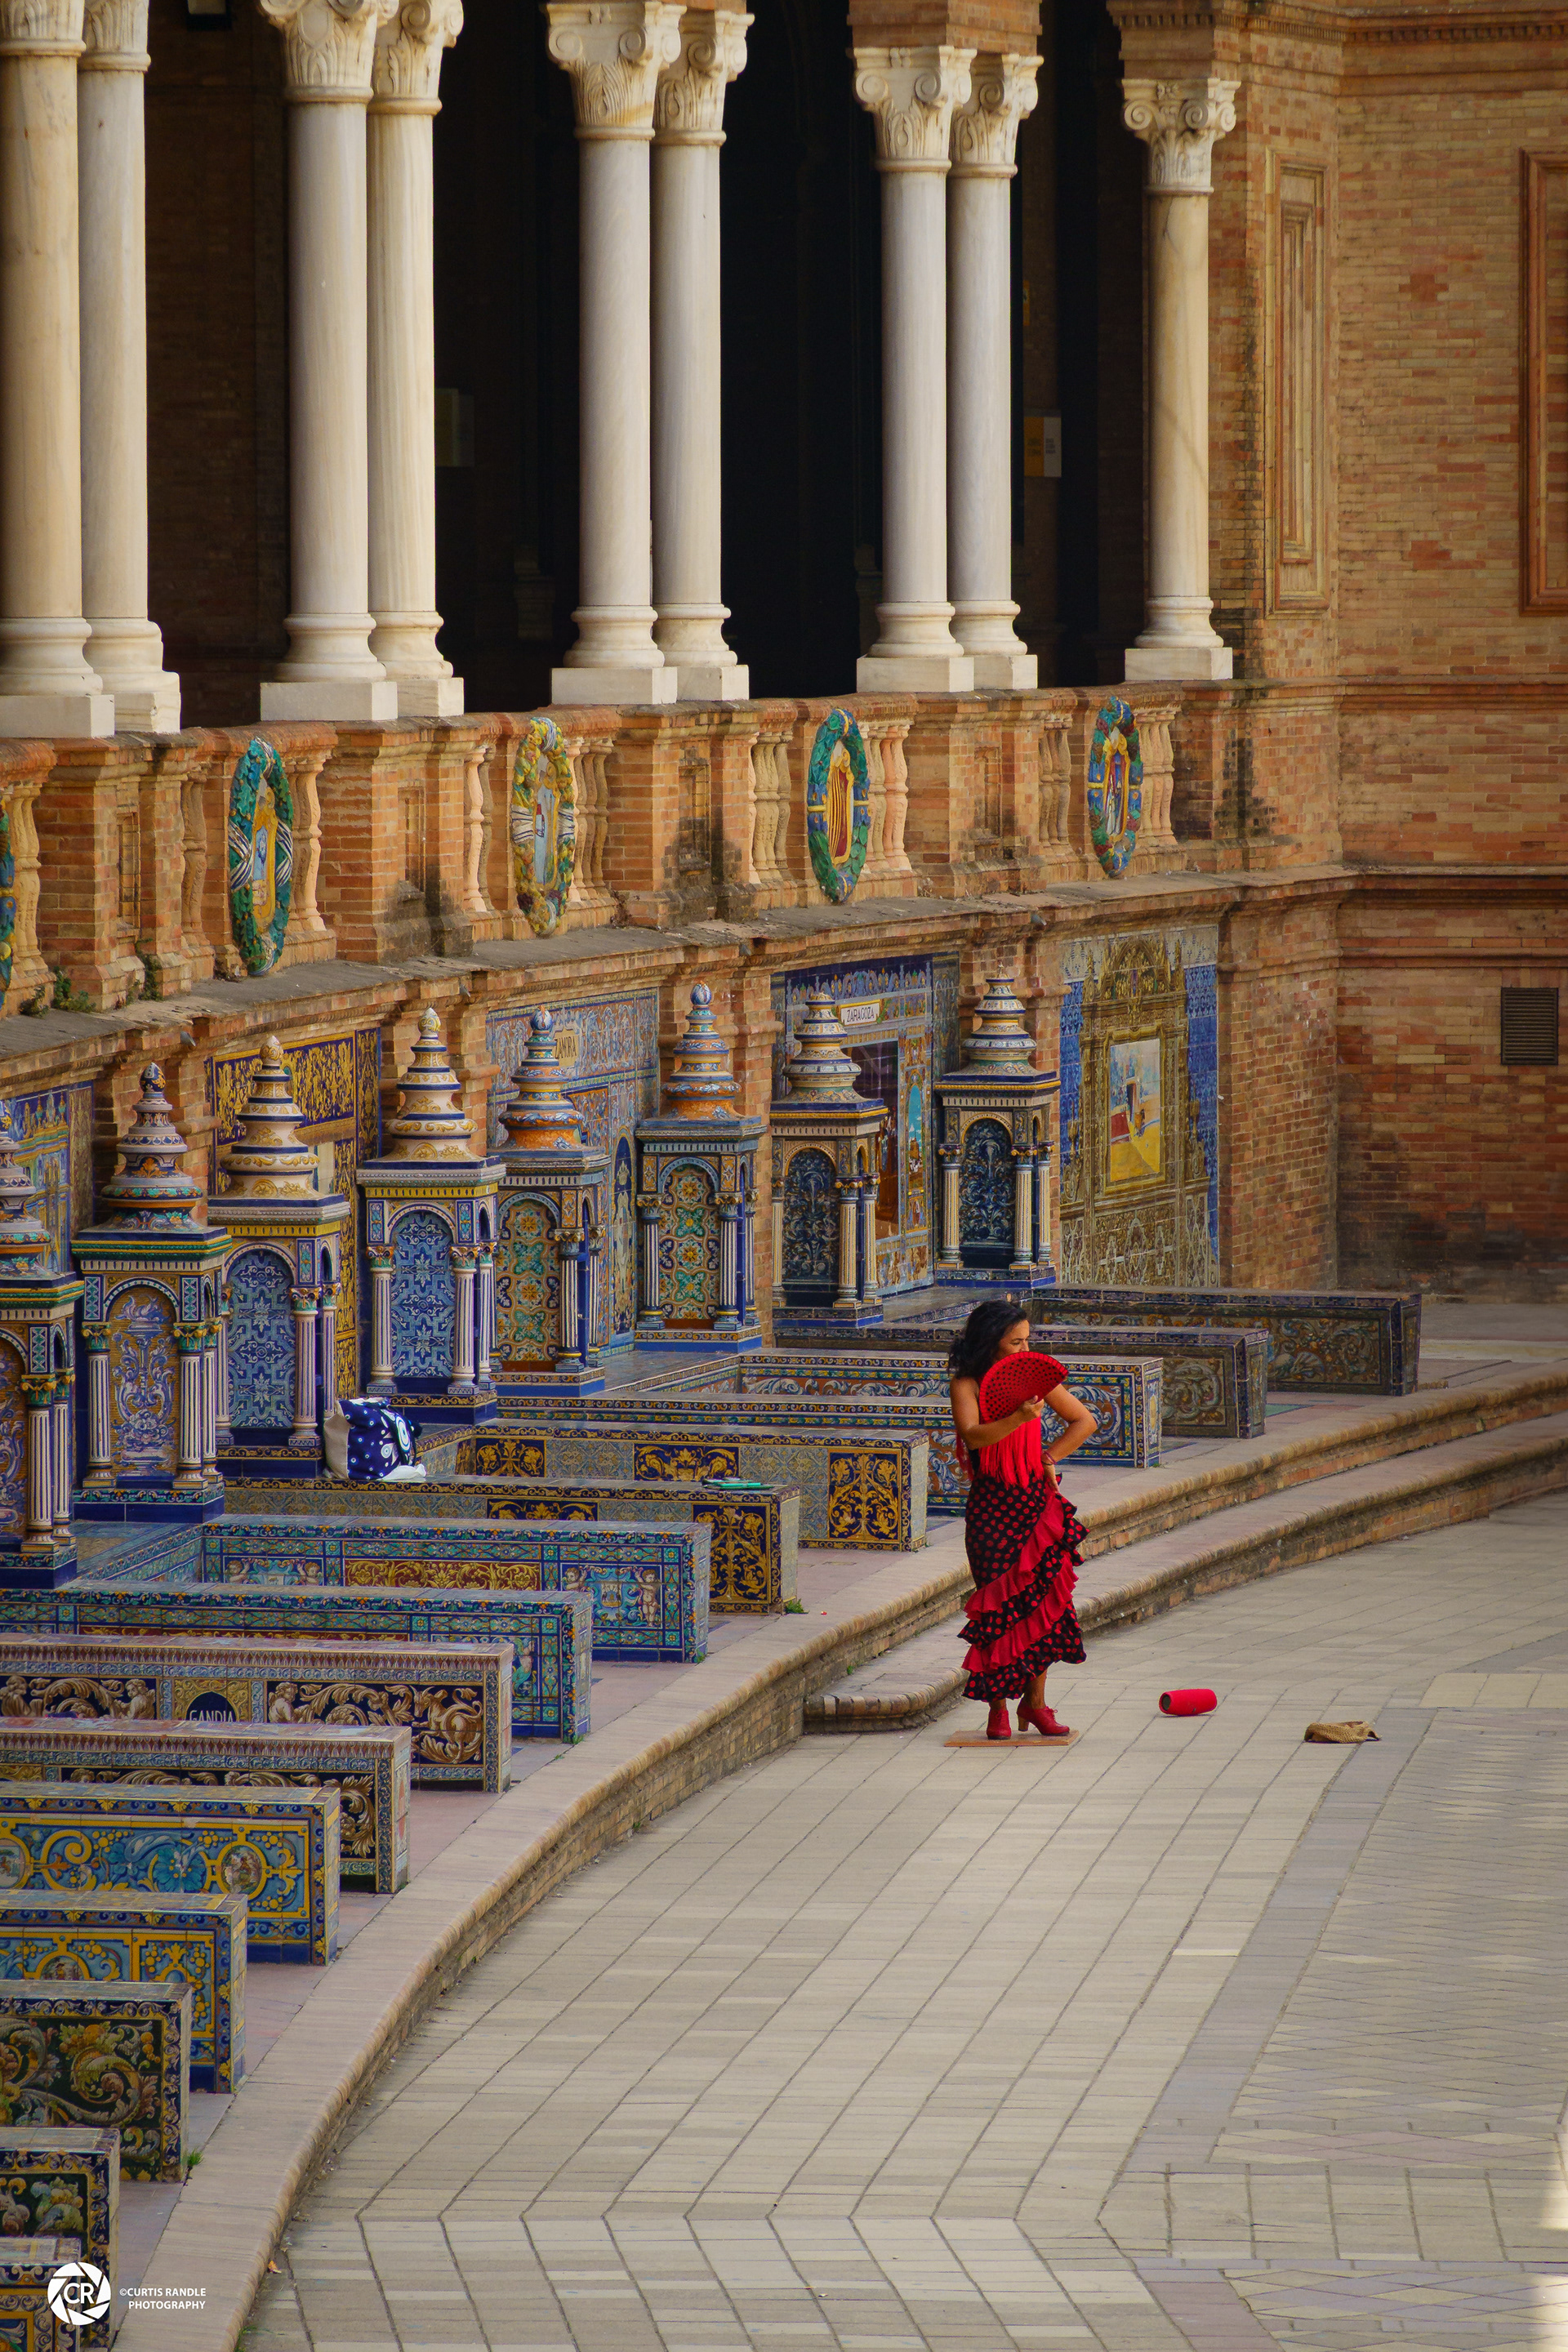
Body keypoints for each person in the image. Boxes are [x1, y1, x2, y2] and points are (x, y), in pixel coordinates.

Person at [948, 1298, 1099, 1742]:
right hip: (992, 1507)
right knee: (997, 1606)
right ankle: (997, 1710)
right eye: (1015, 1341)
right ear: (990, 1341)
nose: (1023, 1348)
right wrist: (1018, 1418)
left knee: (1044, 1606)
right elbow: (974, 1435)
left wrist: (1049, 1455)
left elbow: (1083, 1420)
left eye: (1027, 1340)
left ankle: (1035, 1706)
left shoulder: (1035, 1378)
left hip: (1035, 1504)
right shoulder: (966, 1384)